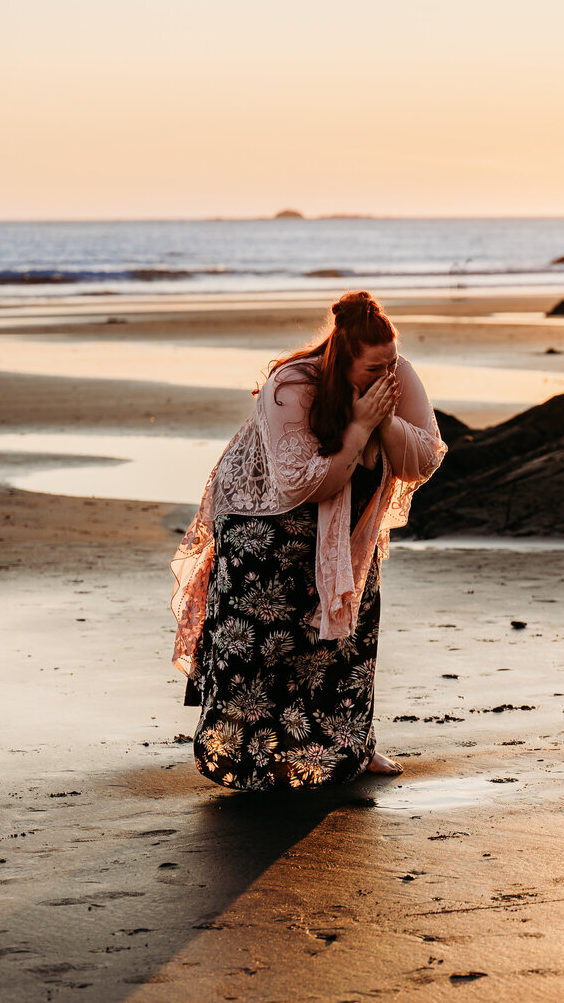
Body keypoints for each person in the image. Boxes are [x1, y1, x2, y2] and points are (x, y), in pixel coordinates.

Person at [169, 291, 446, 791]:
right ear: (343, 358)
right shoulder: (292, 384)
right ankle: (248, 757)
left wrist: (383, 418)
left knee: (347, 641)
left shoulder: (395, 374)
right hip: (264, 525)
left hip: (347, 529)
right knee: (264, 647)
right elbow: (300, 483)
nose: (385, 376)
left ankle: (352, 750)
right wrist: (360, 427)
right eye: (372, 368)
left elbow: (422, 460)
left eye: (391, 363)